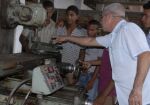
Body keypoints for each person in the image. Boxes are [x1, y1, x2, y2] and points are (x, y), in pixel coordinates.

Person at [54, 3, 150, 105]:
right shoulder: (114, 36)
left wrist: (137, 89)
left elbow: (145, 55)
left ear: (109, 16)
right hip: (127, 97)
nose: (101, 21)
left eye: (102, 17)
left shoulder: (128, 28)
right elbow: (90, 41)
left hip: (141, 98)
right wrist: (67, 37)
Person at [56, 5, 87, 85]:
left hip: (72, 66)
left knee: (71, 86)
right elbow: (55, 46)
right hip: (60, 65)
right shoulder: (61, 29)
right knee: (58, 87)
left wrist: (78, 68)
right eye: (67, 15)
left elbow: (82, 52)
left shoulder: (81, 32)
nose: (69, 17)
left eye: (72, 15)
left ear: (77, 17)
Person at [77, 20, 103, 102]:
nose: (89, 32)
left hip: (93, 76)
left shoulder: (100, 43)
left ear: (98, 30)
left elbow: (99, 64)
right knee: (79, 98)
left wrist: (92, 81)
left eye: (92, 30)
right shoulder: (86, 40)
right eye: (88, 29)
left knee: (89, 100)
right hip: (84, 73)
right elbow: (82, 55)